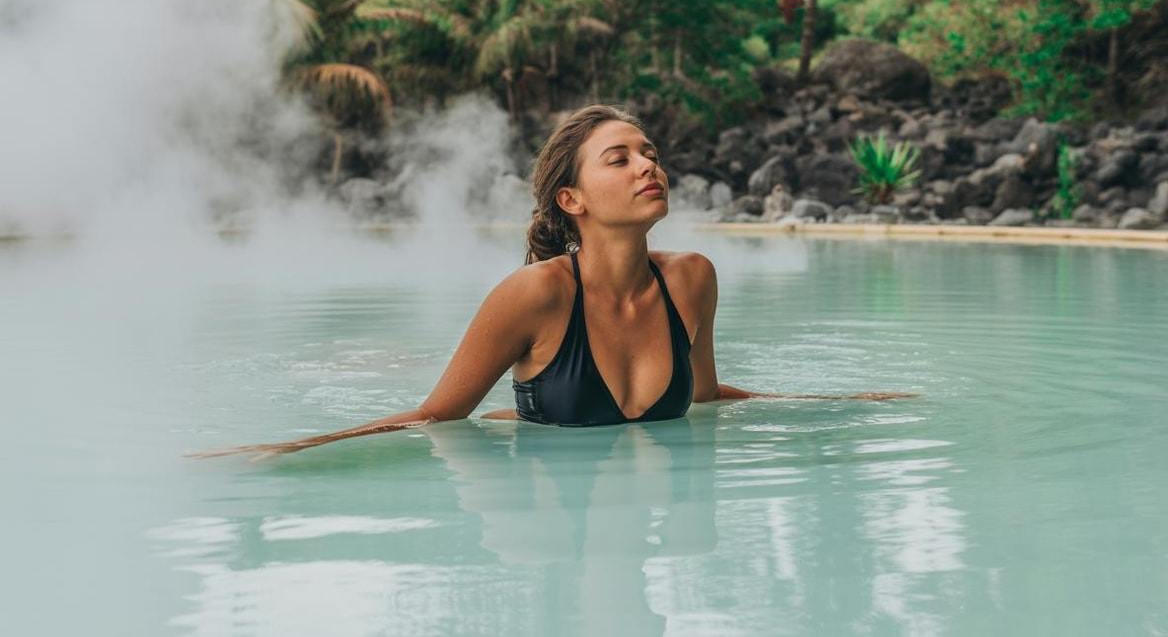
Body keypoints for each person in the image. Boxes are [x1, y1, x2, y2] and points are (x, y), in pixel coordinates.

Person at [193, 105, 912, 459]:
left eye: (650, 153)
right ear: (572, 200)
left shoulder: (692, 279)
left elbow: (704, 399)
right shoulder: (535, 294)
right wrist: (289, 451)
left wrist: (835, 402)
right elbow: (437, 417)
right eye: (619, 158)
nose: (646, 165)